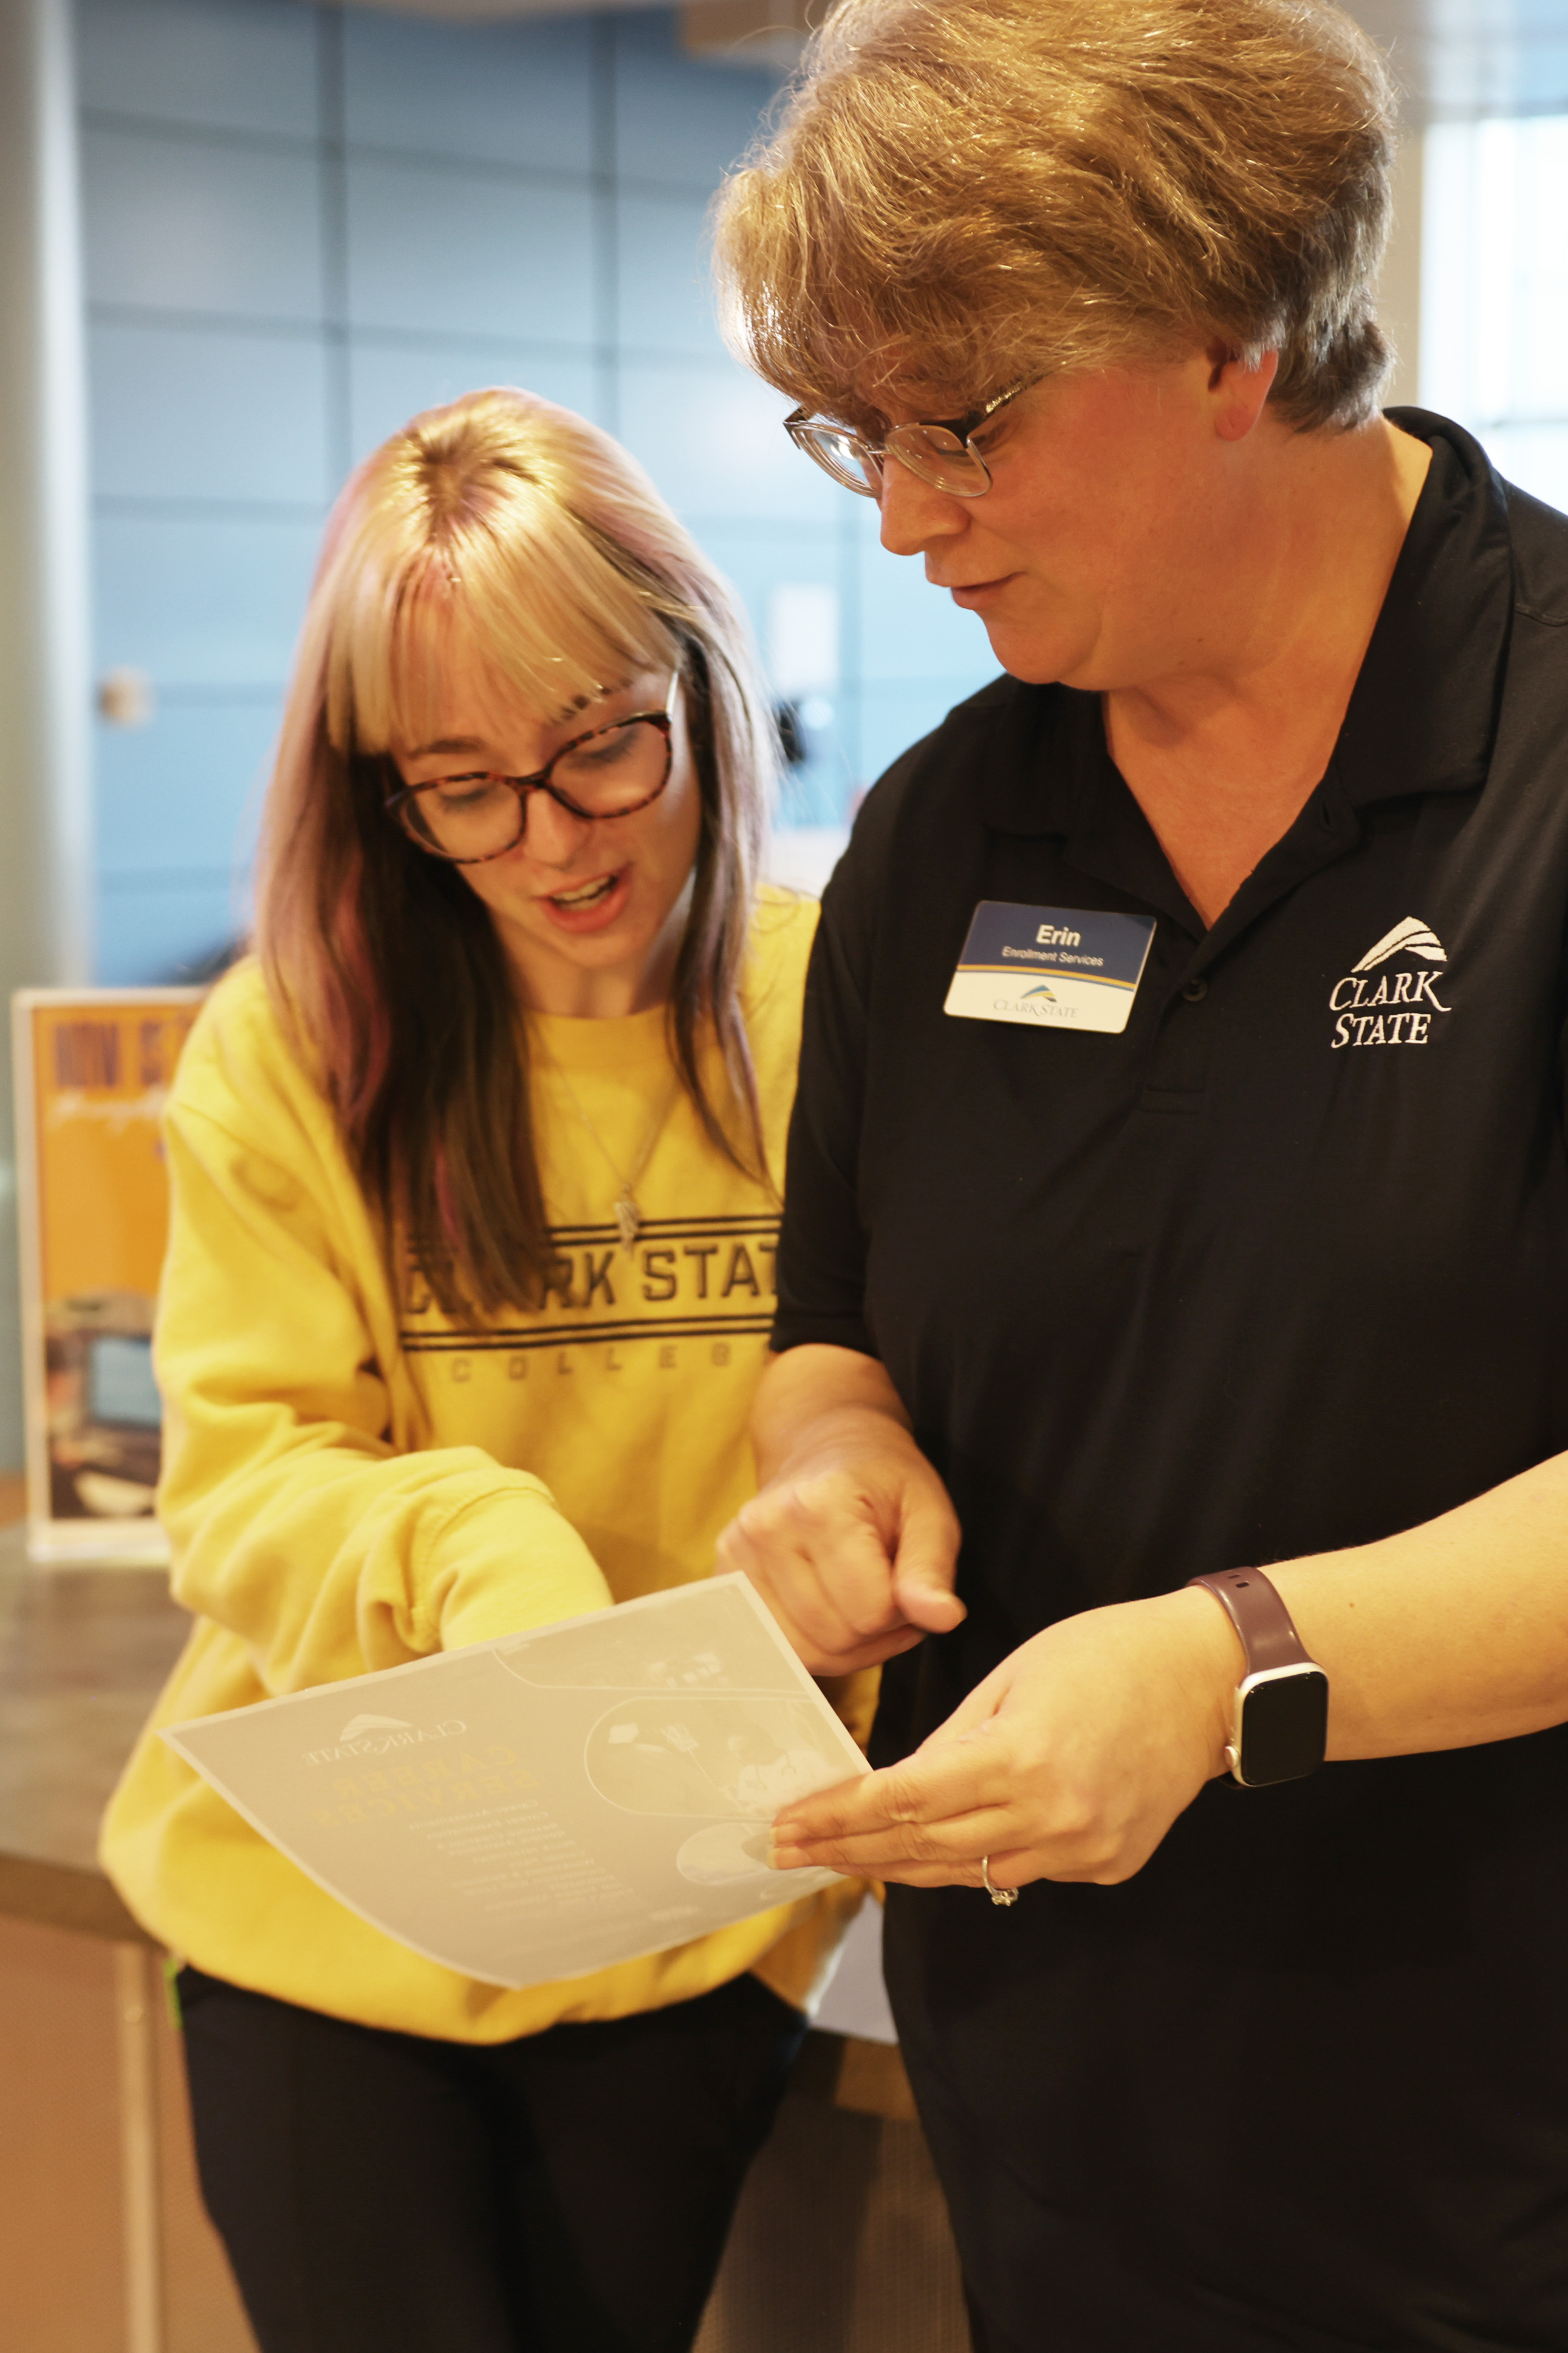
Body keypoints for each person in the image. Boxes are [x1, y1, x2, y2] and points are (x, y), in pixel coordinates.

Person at [709, 4, 1568, 2348]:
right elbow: (832, 1331)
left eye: (965, 420)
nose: (904, 515)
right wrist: (831, 1466)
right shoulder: (945, 831)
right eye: (858, 432)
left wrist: (1225, 1671)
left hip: (1505, 2150)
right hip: (1062, 2135)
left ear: (1231, 335)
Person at [100, 387, 869, 2353]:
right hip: (326, 1915)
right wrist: (475, 1549)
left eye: (601, 745)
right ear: (384, 792)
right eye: (464, 788)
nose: (552, 841)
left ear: (702, 684)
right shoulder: (295, 1046)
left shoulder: (837, 1009)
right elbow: (243, 1486)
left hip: (688, 1916)